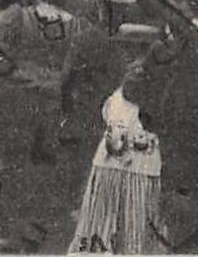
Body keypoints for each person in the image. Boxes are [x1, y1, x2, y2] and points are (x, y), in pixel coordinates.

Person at [69, 61, 165, 254]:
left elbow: (106, 114)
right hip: (138, 166)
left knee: (102, 221)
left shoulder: (117, 96)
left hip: (112, 164)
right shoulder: (158, 96)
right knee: (134, 225)